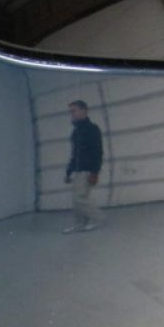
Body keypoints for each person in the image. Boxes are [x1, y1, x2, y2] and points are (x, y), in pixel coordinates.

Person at [63, 100, 104, 234]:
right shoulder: (76, 132)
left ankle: (97, 218)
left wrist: (95, 172)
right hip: (78, 170)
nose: (72, 114)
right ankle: (80, 224)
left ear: (84, 111)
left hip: (87, 170)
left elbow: (98, 152)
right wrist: (69, 172)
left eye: (74, 110)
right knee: (77, 200)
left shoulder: (92, 129)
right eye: (70, 111)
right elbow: (74, 154)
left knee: (79, 198)